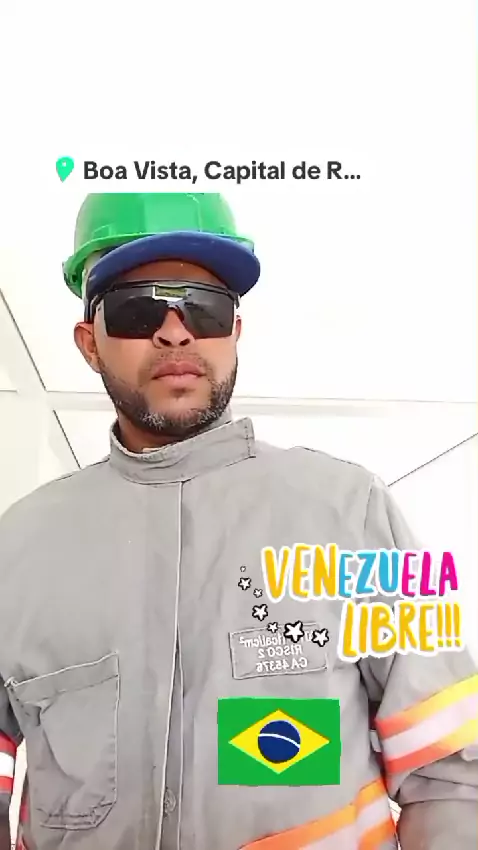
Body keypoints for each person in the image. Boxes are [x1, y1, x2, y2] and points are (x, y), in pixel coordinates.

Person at [0, 192, 477, 850]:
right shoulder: (18, 547)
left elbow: (453, 773)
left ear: (235, 333)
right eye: (138, 309)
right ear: (89, 343)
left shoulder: (355, 510)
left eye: (205, 307)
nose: (176, 332)